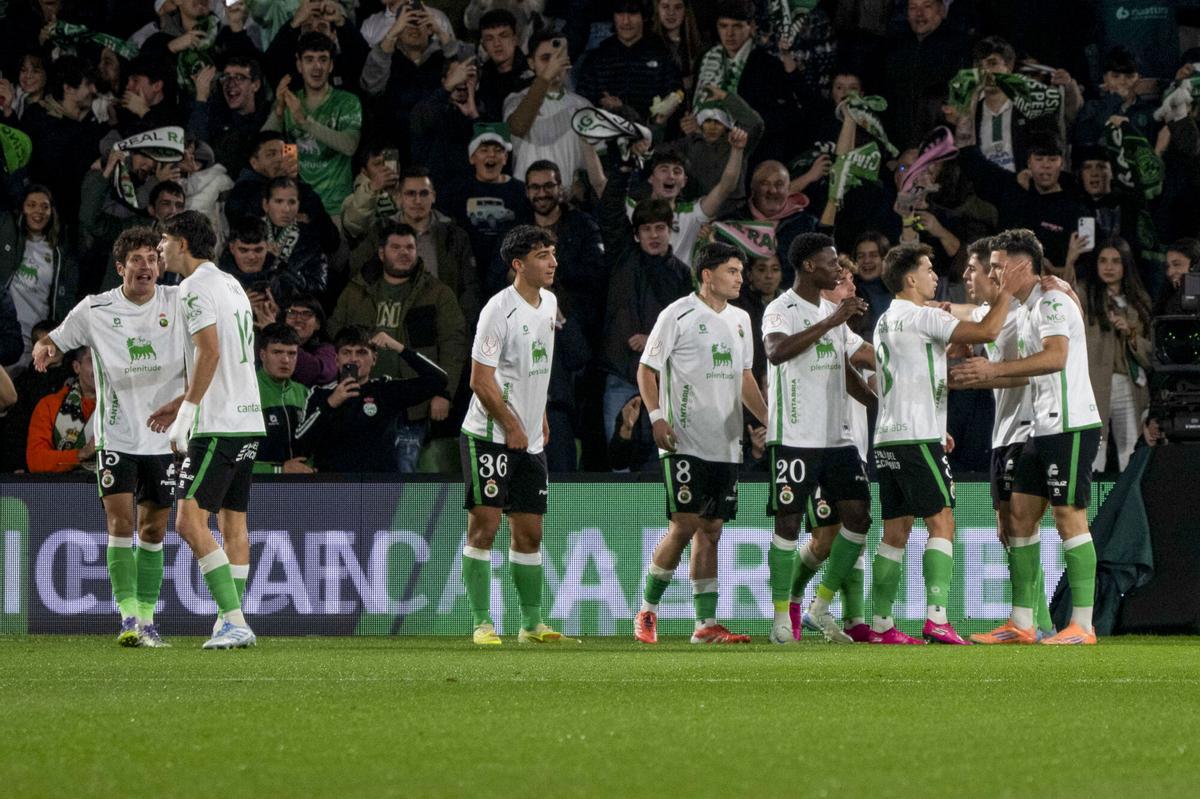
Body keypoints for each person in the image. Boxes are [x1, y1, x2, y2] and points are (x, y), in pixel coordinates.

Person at [30, 226, 185, 647]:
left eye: (152, 258)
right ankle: (129, 618)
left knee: (154, 529)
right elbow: (56, 341)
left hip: (165, 439)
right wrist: (45, 348)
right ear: (121, 268)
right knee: (120, 522)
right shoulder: (95, 309)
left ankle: (149, 621)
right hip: (116, 436)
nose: (146, 266)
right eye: (136, 260)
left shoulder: (178, 302)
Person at [952, 228, 1102, 645]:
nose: (994, 274)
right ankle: (1021, 623)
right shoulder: (1028, 306)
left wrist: (993, 371)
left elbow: (1056, 357)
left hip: (1069, 425)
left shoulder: (1052, 301)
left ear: (1022, 266)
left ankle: (1083, 626)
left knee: (1068, 516)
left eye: (998, 266)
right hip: (1042, 426)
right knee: (1017, 516)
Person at [869, 242, 1012, 645]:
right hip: (917, 435)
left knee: (895, 529)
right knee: (942, 521)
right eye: (929, 269)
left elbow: (914, 366)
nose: (936, 276)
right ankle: (937, 618)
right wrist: (1006, 293)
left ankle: (881, 625)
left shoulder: (886, 320)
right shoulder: (920, 315)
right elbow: (987, 331)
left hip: (888, 436)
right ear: (910, 278)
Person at [633, 241, 768, 644]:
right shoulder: (678, 314)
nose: (739, 278)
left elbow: (745, 378)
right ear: (706, 275)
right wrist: (656, 417)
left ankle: (705, 625)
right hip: (683, 441)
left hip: (725, 445)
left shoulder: (743, 319)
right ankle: (647, 611)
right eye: (731, 271)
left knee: (711, 530)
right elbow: (646, 370)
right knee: (685, 524)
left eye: (741, 272)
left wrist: (769, 422)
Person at [154, 210, 265, 650]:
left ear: (182, 242)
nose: (160, 248)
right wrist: (180, 401)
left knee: (187, 520)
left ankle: (235, 621)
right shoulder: (232, 284)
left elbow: (211, 352)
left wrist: (187, 413)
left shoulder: (193, 287)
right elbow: (225, 355)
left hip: (217, 423)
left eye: (164, 240)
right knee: (233, 524)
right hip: (247, 418)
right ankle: (229, 620)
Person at [761, 233, 874, 644]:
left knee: (859, 518)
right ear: (809, 266)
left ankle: (821, 605)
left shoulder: (834, 313)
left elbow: (844, 370)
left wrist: (882, 401)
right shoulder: (781, 309)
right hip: (794, 435)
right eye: (830, 264)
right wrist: (831, 320)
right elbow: (776, 352)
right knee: (789, 523)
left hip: (838, 438)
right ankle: (779, 620)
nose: (837, 271)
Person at [947, 238, 1059, 643]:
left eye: (976, 270)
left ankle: (1036, 620)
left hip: (1028, 428)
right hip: (1003, 432)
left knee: (1022, 524)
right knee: (1008, 529)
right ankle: (1036, 618)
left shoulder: (1025, 310)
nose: (969, 277)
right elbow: (959, 312)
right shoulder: (990, 313)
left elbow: (1042, 365)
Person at [458, 225, 563, 646]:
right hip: (489, 434)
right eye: (542, 255)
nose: (552, 262)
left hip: (530, 438)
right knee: (485, 527)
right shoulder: (496, 312)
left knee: (531, 531)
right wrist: (514, 424)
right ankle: (482, 622)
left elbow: (533, 368)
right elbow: (480, 381)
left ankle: (531, 624)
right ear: (519, 265)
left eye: (553, 253)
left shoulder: (550, 302)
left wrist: (539, 415)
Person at [329, 222, 467, 473]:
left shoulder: (437, 293)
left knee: (404, 475)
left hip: (411, 406)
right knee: (356, 473)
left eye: (410, 247)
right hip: (359, 401)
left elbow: (453, 344)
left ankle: (402, 515)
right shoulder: (355, 291)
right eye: (396, 247)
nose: (404, 253)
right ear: (381, 253)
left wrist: (444, 393)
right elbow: (335, 338)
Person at [296, 324, 448, 473]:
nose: (353, 359)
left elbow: (439, 379)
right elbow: (301, 443)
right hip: (335, 488)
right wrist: (330, 404)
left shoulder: (385, 390)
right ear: (336, 360)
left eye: (361, 352)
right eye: (346, 352)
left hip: (379, 488)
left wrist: (398, 347)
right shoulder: (320, 394)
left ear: (374, 359)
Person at [264, 32, 363, 218]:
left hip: (336, 209)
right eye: (309, 59)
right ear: (299, 65)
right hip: (297, 210)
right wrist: (278, 110)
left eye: (323, 59)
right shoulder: (290, 101)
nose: (317, 67)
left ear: (331, 65)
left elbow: (349, 146)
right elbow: (261, 149)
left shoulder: (347, 102)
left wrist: (304, 121)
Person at [1077, 238, 1152, 473]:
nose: (1108, 267)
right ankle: (1087, 508)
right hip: (1093, 384)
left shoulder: (1139, 301)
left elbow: (1152, 352)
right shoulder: (1085, 295)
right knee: (1094, 449)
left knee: (1129, 448)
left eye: (1116, 261)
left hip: (1128, 384)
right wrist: (1070, 259)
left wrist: (1130, 333)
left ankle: (1128, 505)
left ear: (1126, 265)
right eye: (1103, 261)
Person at [1, 185, 77, 369]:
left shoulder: (60, 251)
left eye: (44, 206)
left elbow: (65, 297)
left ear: (52, 212)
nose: (38, 211)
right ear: (22, 209)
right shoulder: (9, 236)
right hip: (6, 331)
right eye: (31, 205)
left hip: (36, 336)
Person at [504, 31, 590, 193]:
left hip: (569, 202)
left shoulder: (583, 105)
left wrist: (582, 187)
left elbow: (596, 158)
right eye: (546, 59)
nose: (554, 65)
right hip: (526, 199)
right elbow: (517, 127)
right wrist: (545, 78)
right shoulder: (515, 100)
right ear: (531, 63)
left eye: (558, 58)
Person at [574, 0, 682, 121]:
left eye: (633, 13)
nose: (626, 21)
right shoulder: (597, 58)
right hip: (606, 133)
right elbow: (581, 103)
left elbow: (676, 95)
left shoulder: (662, 54)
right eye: (620, 13)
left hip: (653, 135)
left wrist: (652, 121)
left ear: (644, 16)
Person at [25, 345, 96, 473]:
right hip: (63, 489)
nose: (101, 368)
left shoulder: (123, 406)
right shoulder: (49, 406)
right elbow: (36, 460)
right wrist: (82, 453)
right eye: (93, 361)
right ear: (76, 367)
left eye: (105, 361)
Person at [254, 323, 312, 475]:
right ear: (262, 355)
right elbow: (233, 459)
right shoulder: (246, 392)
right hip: (258, 487)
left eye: (292, 354)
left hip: (301, 486)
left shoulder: (305, 393)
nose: (285, 360)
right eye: (277, 352)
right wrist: (279, 470)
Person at [284, 292, 337, 387]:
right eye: (292, 313)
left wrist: (284, 339)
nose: (298, 320)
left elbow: (317, 373)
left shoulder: (328, 350)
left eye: (306, 314)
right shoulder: (269, 343)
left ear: (318, 324)